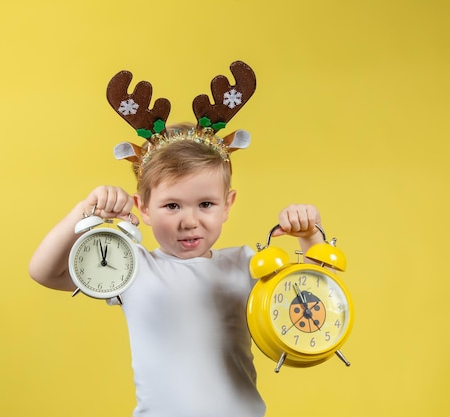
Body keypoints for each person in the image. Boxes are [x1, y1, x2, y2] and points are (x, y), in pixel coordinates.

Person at [29, 62, 325, 416]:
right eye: (172, 205)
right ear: (144, 208)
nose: (190, 221)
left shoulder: (246, 264)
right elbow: (44, 272)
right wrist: (85, 210)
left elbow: (312, 315)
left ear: (227, 205)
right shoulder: (132, 267)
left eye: (205, 204)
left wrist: (310, 238)